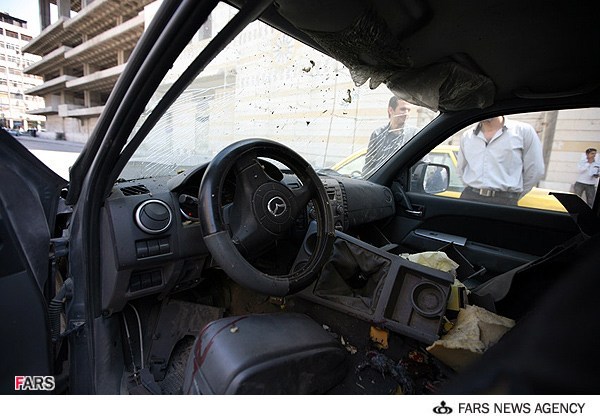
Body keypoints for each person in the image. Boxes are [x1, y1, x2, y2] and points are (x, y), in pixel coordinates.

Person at [457, 116, 545, 206]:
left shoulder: (523, 131)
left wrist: (513, 196)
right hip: (470, 198)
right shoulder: (467, 136)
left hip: (505, 201)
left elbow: (535, 170)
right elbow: (461, 169)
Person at [363, 97, 417, 175]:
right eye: (402, 109)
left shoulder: (414, 134)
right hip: (379, 180)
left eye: (408, 110)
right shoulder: (378, 134)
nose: (406, 113)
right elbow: (369, 165)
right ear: (391, 110)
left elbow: (421, 165)